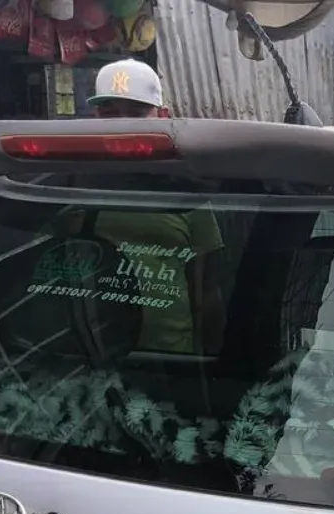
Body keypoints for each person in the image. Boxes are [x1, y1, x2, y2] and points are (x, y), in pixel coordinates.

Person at [76, 60, 224, 354]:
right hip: (87, 358)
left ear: (162, 116)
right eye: (110, 113)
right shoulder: (68, 186)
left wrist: (211, 367)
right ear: (95, 116)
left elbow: (206, 291)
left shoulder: (188, 192)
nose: (122, 124)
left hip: (172, 359)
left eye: (135, 113)